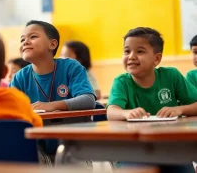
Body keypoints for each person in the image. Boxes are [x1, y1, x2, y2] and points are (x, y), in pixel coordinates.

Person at [107, 27, 197, 173]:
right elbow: (111, 112)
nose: (131, 56)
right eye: (127, 51)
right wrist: (126, 113)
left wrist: (179, 109)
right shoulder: (121, 82)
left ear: (157, 58)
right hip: (134, 152)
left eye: (140, 51)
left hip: (172, 150)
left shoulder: (172, 76)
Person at [10, 20, 96, 112]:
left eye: (33, 37)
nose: (25, 42)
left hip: (72, 125)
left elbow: (88, 100)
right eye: (22, 39)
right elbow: (9, 107)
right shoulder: (19, 77)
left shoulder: (70, 67)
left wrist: (52, 105)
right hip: (36, 126)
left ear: (52, 44)